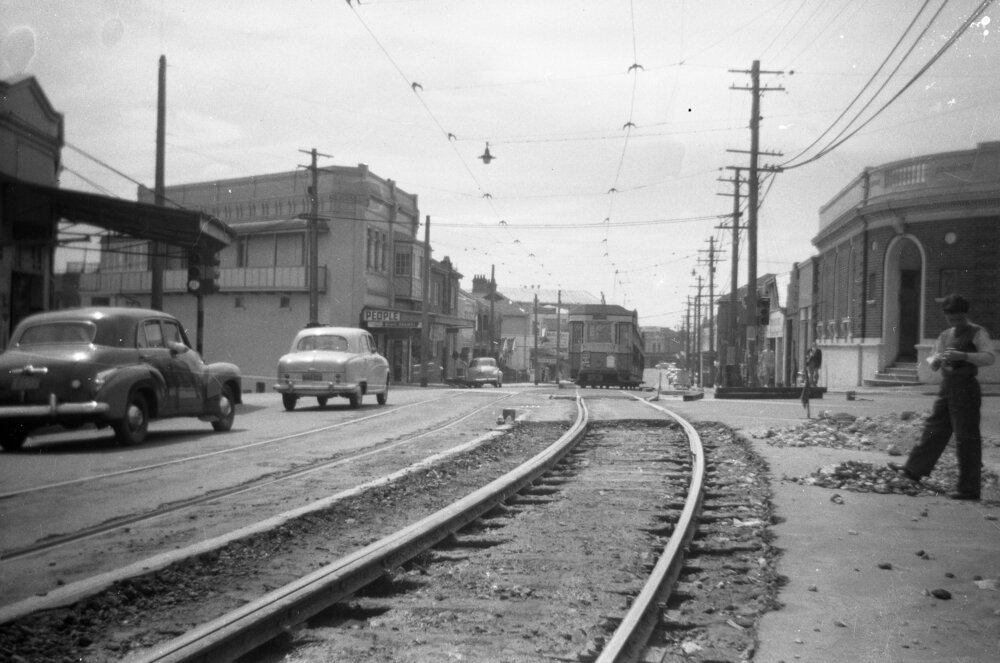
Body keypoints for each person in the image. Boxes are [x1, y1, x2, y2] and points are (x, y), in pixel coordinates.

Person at [889, 294, 995, 500]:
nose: (955, 323)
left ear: (966, 315)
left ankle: (969, 489)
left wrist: (964, 356)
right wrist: (935, 361)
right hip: (947, 386)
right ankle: (914, 469)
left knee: (966, 437)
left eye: (959, 319)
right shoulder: (946, 334)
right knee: (934, 428)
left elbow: (989, 357)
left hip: (966, 387)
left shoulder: (977, 332)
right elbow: (934, 354)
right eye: (951, 319)